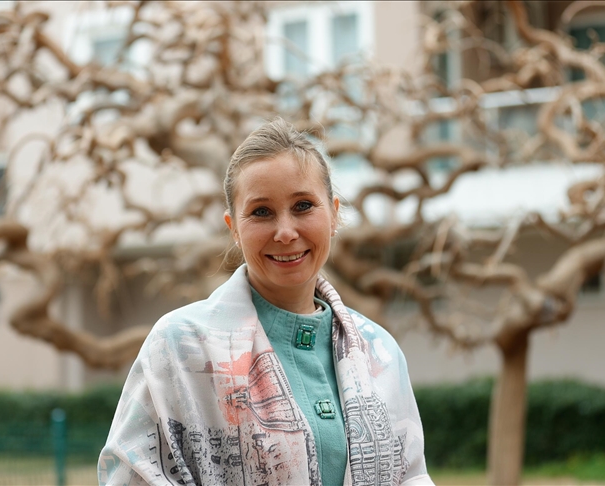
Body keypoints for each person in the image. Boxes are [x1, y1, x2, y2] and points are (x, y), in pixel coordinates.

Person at [98, 118, 434, 485]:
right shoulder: (178, 347)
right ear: (233, 228)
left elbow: (412, 476)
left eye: (303, 205)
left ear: (334, 214)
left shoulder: (380, 352)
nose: (285, 232)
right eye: (261, 212)